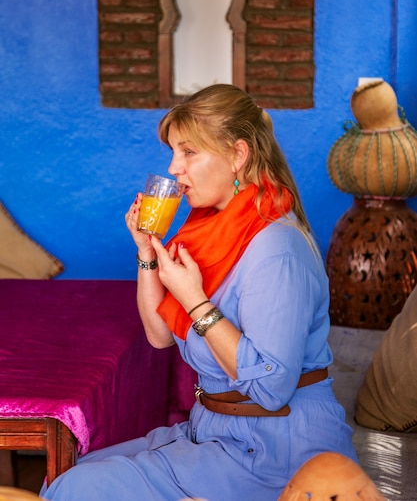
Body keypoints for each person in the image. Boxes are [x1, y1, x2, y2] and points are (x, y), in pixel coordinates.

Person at [42, 84, 357, 501]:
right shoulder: (207, 234)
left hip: (273, 448)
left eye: (189, 152)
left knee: (73, 491)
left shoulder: (277, 248)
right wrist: (147, 253)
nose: (174, 168)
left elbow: (271, 388)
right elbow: (158, 335)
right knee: (63, 476)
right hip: (214, 430)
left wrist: (195, 300)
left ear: (238, 156)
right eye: (174, 152)